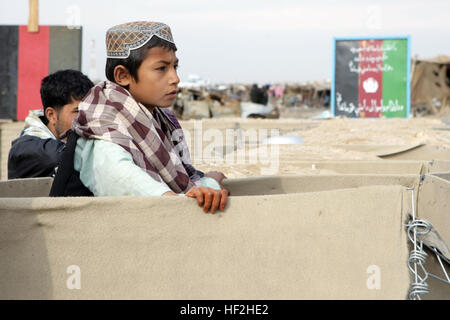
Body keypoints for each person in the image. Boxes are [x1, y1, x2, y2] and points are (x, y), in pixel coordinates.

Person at [50, 21, 229, 213]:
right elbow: (153, 199)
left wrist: (209, 182)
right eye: (161, 68)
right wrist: (210, 183)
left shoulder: (158, 120)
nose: (175, 78)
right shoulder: (103, 130)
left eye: (175, 67)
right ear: (123, 76)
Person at [7, 70, 94, 179]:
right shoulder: (27, 149)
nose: (86, 119)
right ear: (51, 115)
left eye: (90, 111)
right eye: (77, 111)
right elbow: (51, 157)